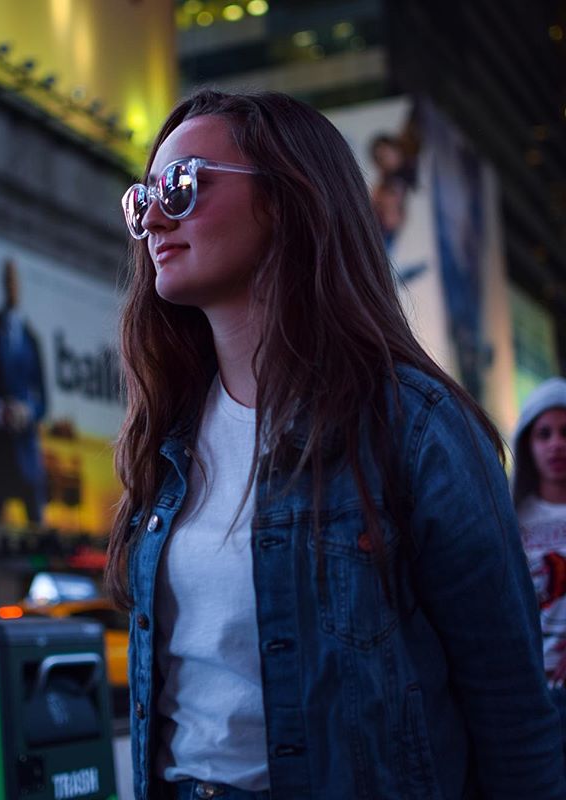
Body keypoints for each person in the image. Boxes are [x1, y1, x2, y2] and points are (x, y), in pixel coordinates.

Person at [107, 89, 565, 800]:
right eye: (143, 200)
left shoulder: (415, 427)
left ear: (288, 200)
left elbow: (513, 719)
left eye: (183, 184)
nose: (155, 217)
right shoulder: (163, 437)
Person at [0, 259, 47, 552]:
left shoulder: (32, 338)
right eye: (7, 280)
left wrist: (26, 412)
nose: (11, 287)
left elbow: (43, 400)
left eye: (15, 281)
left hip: (27, 450)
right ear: (2, 284)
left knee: (37, 534)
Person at [512, 378, 566, 738]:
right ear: (528, 445)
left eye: (565, 431)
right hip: (534, 690)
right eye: (544, 434)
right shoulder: (512, 520)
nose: (556, 445)